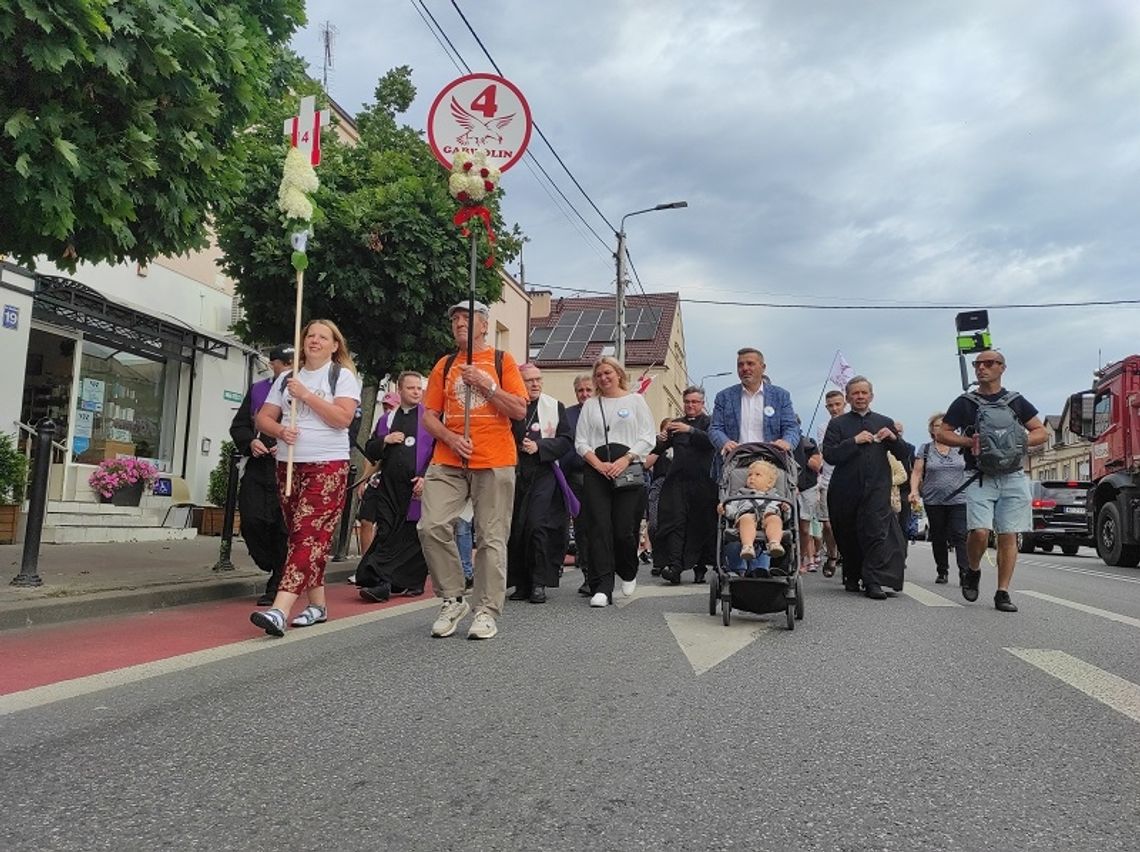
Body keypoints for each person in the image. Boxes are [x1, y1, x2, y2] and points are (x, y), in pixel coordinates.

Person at [418, 300, 527, 640]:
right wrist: (450, 437)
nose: (460, 323)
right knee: (431, 525)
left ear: (484, 326)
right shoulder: (444, 364)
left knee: (490, 537)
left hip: (494, 459)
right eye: (455, 319)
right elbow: (428, 416)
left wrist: (486, 385)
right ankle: (453, 597)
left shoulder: (501, 361)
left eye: (467, 318)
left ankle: (486, 610)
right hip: (449, 459)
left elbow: (519, 409)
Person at [249, 319, 361, 635]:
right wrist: (281, 430)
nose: (314, 341)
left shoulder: (342, 377)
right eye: (310, 335)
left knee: (306, 536)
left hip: (327, 464)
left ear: (335, 345)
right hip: (288, 464)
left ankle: (279, 610)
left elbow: (342, 419)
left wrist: (308, 396)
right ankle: (318, 605)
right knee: (306, 538)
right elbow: (264, 417)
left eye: (323, 337)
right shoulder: (286, 377)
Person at [938, 351, 1047, 612]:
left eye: (989, 364)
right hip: (979, 476)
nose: (981, 368)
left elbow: (1041, 432)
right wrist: (968, 442)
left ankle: (1002, 592)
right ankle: (973, 570)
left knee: (1009, 535)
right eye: (977, 364)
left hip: (1012, 476)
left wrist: (1017, 442)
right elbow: (943, 432)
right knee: (980, 531)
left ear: (1002, 368)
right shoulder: (966, 402)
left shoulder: (1016, 401)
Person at [573, 356, 656, 608]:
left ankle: (628, 570)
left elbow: (648, 436)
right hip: (597, 471)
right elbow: (581, 442)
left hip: (628, 469)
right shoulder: (591, 405)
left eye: (607, 373)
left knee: (623, 530)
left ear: (618, 373)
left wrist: (626, 458)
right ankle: (603, 587)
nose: (603, 378)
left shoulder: (635, 401)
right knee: (599, 528)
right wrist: (598, 464)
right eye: (599, 375)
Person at [822, 376, 912, 600]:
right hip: (846, 489)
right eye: (855, 393)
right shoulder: (838, 424)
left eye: (864, 393)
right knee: (847, 532)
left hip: (877, 489)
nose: (860, 397)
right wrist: (853, 441)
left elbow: (903, 454)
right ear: (848, 397)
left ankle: (874, 580)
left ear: (871, 396)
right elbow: (830, 455)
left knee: (876, 533)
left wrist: (893, 437)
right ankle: (852, 574)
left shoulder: (884, 421)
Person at [355, 371, 434, 603]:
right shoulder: (387, 419)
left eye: (419, 388)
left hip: (416, 485)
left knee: (412, 536)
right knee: (387, 531)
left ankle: (411, 581)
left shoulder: (429, 417)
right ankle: (382, 581)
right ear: (400, 391)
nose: (416, 392)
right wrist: (385, 441)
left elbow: (437, 450)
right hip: (390, 486)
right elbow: (371, 449)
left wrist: (425, 477)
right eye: (411, 388)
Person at [230, 344, 292, 606]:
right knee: (251, 519)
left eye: (293, 364)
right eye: (284, 363)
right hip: (258, 465)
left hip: (286, 466)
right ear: (272, 364)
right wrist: (250, 442)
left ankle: (277, 581)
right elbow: (239, 426)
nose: (288, 369)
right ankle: (269, 562)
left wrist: (288, 445)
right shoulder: (258, 390)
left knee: (281, 526)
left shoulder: (301, 390)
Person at [507, 364, 574, 604]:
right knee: (516, 529)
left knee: (537, 526)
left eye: (538, 380)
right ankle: (520, 583)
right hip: (514, 472)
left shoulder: (554, 406)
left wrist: (540, 447)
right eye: (529, 380)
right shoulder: (510, 405)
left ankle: (538, 583)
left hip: (543, 472)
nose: (535, 384)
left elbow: (566, 440)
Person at [654, 387, 718, 585]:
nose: (690, 405)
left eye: (695, 402)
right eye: (687, 402)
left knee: (701, 524)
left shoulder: (710, 422)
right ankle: (674, 566)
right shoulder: (676, 424)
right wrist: (661, 439)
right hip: (678, 481)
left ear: (702, 403)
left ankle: (700, 567)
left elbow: (713, 442)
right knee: (675, 522)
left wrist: (690, 430)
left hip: (704, 483)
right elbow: (659, 449)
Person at [709, 347, 800, 480]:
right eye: (740, 365)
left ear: (763, 367)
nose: (745, 368)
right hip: (735, 464)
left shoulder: (780, 396)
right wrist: (725, 443)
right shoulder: (724, 397)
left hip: (770, 464)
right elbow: (715, 428)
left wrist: (787, 442)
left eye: (750, 363)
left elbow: (791, 427)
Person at [909, 412, 969, 585]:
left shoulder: (961, 447)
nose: (941, 429)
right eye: (937, 426)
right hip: (933, 499)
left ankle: (965, 572)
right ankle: (942, 570)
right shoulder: (926, 449)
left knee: (960, 534)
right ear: (932, 430)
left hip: (959, 499)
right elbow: (917, 472)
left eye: (945, 426)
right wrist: (914, 490)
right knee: (939, 535)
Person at [719, 459, 788, 574]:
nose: (752, 477)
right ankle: (748, 546)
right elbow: (732, 511)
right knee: (746, 519)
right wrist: (725, 509)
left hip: (768, 516)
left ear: (769, 483)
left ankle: (774, 543)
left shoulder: (775, 496)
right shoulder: (741, 494)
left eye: (758, 475)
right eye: (750, 475)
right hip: (747, 515)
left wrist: (786, 509)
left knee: (775, 519)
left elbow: (786, 516)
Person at [356, 391, 400, 557]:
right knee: (366, 520)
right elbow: (371, 455)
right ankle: (365, 563)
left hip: (395, 481)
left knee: (388, 524)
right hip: (376, 480)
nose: (387, 409)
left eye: (391, 406)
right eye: (385, 406)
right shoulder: (381, 423)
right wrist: (362, 481)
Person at [561, 374, 594, 595]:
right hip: (575, 477)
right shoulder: (567, 414)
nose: (584, 394)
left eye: (588, 390)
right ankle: (588, 575)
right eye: (580, 391)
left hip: (600, 475)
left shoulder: (603, 410)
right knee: (582, 528)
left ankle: (602, 573)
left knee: (599, 527)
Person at [815, 390, 846, 577]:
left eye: (838, 404)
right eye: (831, 405)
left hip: (848, 479)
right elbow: (825, 452)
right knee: (827, 524)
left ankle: (847, 556)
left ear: (844, 404)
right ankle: (832, 554)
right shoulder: (823, 427)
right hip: (827, 479)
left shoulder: (853, 424)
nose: (834, 408)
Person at [792, 424, 822, 574]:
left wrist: (810, 460)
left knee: (804, 528)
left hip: (807, 487)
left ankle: (802, 558)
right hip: (789, 487)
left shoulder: (808, 443)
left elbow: (818, 465)